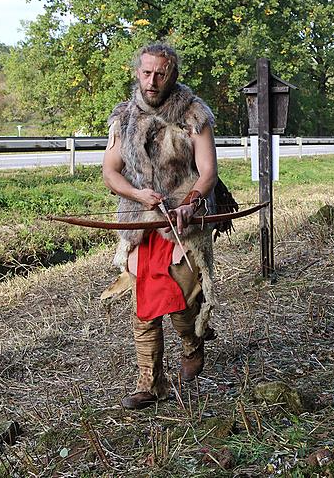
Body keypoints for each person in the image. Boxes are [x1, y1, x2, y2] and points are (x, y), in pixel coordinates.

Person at [102, 43, 219, 410]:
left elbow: (208, 171)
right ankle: (151, 383)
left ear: (173, 74)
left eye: (161, 73)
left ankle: (192, 342)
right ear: (137, 72)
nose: (152, 81)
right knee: (145, 303)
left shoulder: (193, 114)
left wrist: (190, 201)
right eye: (146, 72)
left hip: (184, 224)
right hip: (141, 223)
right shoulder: (124, 117)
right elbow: (110, 171)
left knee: (182, 301)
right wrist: (138, 195)